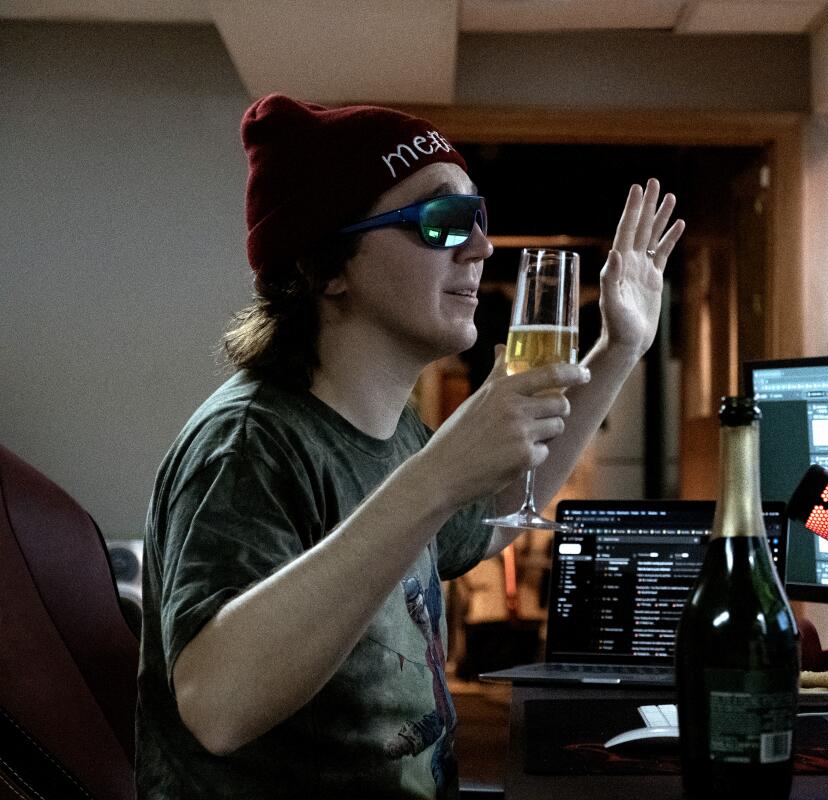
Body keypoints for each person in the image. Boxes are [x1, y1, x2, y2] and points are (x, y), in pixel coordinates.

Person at [134, 94, 685, 799]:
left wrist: (621, 348)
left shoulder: (391, 434)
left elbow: (483, 527)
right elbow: (217, 706)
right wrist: (434, 477)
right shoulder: (248, 444)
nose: (481, 247)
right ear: (328, 266)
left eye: (478, 220)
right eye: (443, 222)